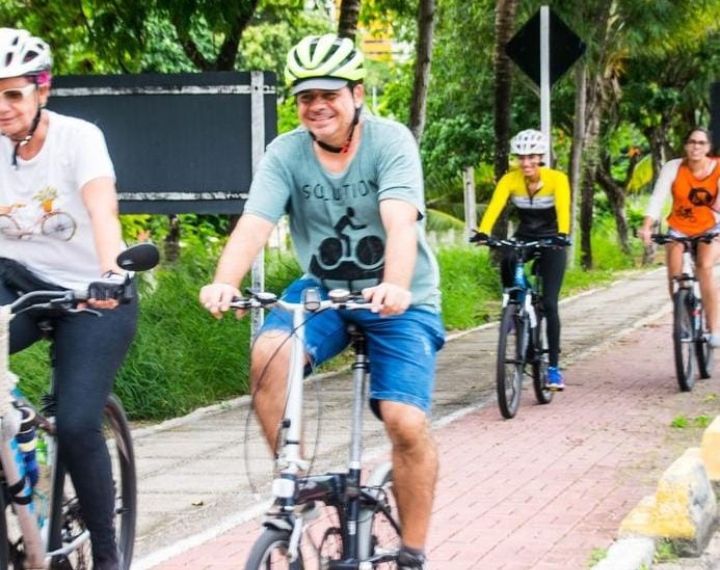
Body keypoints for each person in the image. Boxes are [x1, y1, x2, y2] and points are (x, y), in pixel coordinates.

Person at [199, 33, 445, 569]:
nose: (316, 106)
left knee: (405, 422)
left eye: (328, 94)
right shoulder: (285, 153)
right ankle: (296, 482)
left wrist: (396, 285)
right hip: (324, 290)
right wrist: (223, 280)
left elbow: (400, 222)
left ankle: (412, 552)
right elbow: (254, 223)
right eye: (305, 96)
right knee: (268, 351)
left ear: (356, 94)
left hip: (402, 298)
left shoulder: (390, 142)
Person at [0, 28, 135, 570]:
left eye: (13, 93)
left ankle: (106, 555)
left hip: (91, 294)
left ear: (42, 91)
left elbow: (104, 213)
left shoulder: (79, 139)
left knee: (79, 423)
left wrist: (111, 273)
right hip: (15, 281)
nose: (3, 107)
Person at [472, 129, 571, 390]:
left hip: (553, 239)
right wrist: (483, 231)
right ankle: (516, 305)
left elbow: (563, 207)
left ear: (541, 157)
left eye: (531, 157)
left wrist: (562, 235)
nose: (525, 163)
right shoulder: (510, 180)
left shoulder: (557, 179)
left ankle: (552, 369)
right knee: (507, 258)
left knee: (549, 303)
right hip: (525, 234)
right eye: (521, 158)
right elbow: (495, 206)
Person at [638, 127, 720, 347]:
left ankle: (714, 328)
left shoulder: (718, 168)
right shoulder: (673, 167)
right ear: (685, 145)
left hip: (711, 227)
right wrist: (647, 226)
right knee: (674, 274)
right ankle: (682, 318)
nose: (696, 146)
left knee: (704, 266)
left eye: (701, 143)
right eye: (692, 142)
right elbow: (658, 198)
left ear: (708, 148)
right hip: (680, 227)